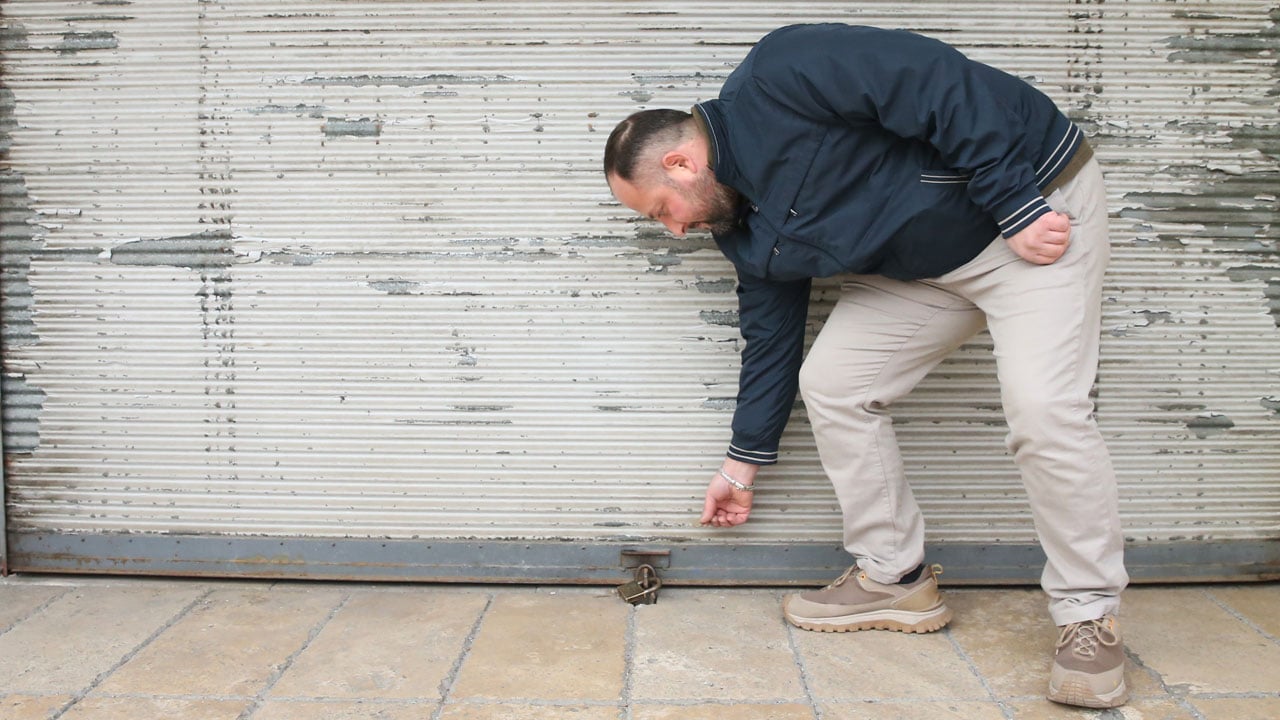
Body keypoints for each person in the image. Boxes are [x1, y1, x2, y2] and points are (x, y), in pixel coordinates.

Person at [603, 23, 1130, 709]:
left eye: (661, 212)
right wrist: (741, 464)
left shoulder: (781, 72)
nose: (675, 230)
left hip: (1030, 218)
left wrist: (1016, 202)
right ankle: (894, 577)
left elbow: (937, 82)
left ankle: (1089, 616)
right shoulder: (743, 230)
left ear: (679, 164)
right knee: (834, 384)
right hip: (927, 269)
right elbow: (770, 340)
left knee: (1044, 407)